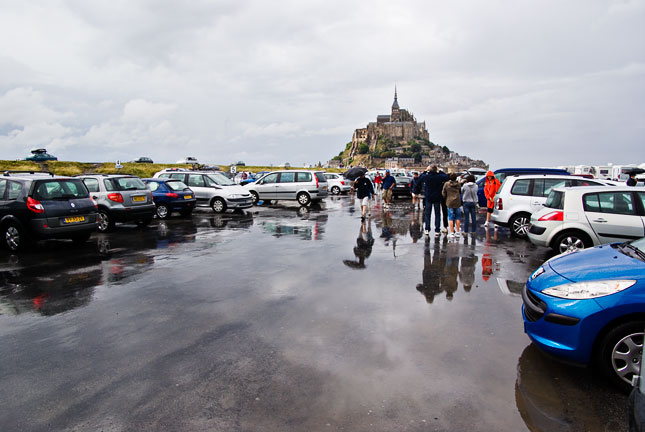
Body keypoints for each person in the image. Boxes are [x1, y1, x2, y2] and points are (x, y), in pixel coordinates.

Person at [418, 165, 448, 236]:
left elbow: (420, 178)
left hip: (428, 197)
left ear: (430, 170)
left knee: (427, 214)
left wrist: (425, 170)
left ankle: (427, 229)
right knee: (437, 214)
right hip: (437, 197)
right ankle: (437, 230)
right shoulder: (439, 176)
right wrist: (439, 170)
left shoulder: (426, 176)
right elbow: (446, 177)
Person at [442, 173, 462, 237]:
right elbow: (460, 191)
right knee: (457, 217)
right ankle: (458, 232)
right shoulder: (458, 184)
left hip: (449, 201)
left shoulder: (446, 184)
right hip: (457, 202)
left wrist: (445, 197)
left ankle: (452, 232)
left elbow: (443, 193)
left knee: (450, 217)